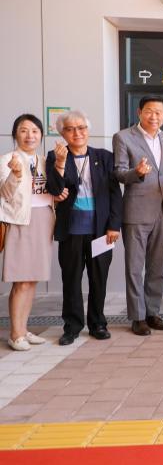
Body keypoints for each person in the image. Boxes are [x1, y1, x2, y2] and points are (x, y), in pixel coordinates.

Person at [45, 111, 122, 346]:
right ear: (62, 133)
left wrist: (114, 225)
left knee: (99, 278)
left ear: (88, 130)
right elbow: (54, 189)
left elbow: (115, 194)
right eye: (70, 129)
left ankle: (98, 323)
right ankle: (72, 327)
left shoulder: (104, 157)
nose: (77, 133)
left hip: (100, 230)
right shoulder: (54, 156)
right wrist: (59, 164)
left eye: (81, 128)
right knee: (71, 280)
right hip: (71, 230)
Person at [113, 95, 163, 336]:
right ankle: (137, 317)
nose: (154, 116)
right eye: (149, 111)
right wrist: (136, 172)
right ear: (139, 112)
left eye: (159, 112)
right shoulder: (123, 137)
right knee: (135, 267)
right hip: (137, 210)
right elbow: (119, 172)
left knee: (157, 267)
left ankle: (152, 312)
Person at [0, 114, 61, 351]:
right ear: (15, 134)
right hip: (20, 222)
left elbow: (52, 190)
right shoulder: (7, 160)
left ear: (41, 135)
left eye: (35, 131)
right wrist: (15, 175)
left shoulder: (45, 161)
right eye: (24, 130)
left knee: (32, 279)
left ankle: (23, 328)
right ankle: (15, 334)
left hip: (43, 220)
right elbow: (5, 194)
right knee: (21, 281)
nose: (29, 136)